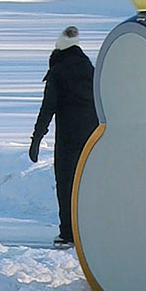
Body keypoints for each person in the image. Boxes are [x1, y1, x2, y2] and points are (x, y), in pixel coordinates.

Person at [29, 25, 98, 248]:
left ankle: (68, 233)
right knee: (88, 183)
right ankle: (88, 230)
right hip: (93, 135)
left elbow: (47, 107)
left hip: (68, 138)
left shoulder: (58, 71)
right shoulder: (90, 68)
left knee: (66, 182)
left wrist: (37, 138)